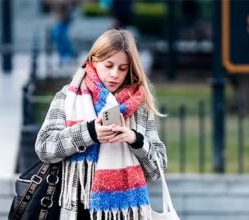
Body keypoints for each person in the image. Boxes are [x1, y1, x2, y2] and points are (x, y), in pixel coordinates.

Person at [35, 29, 167, 220]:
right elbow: (44, 147)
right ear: (94, 61)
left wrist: (135, 140)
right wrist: (90, 132)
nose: (115, 74)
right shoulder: (68, 97)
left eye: (122, 68)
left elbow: (157, 169)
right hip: (76, 209)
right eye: (109, 65)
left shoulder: (139, 105)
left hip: (125, 214)